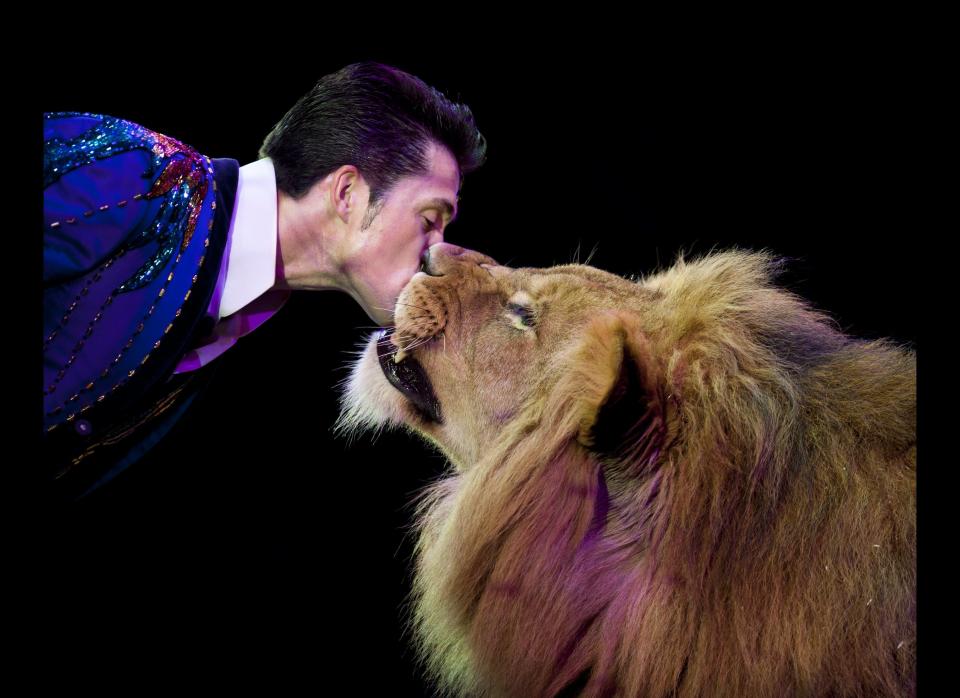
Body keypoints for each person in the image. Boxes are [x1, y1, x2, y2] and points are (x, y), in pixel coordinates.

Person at [42, 61, 486, 500]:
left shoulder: (244, 308)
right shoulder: (130, 170)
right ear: (347, 193)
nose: (437, 250)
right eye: (429, 218)